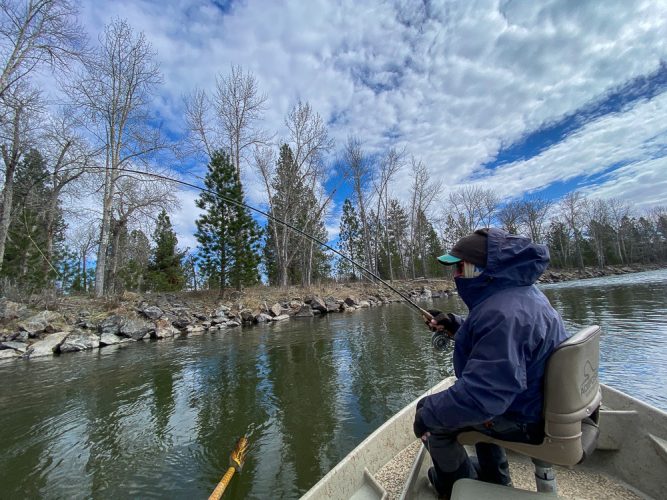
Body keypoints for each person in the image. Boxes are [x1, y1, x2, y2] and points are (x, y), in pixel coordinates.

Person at [413, 227, 569, 498]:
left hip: (522, 416)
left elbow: (484, 397)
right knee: (462, 410)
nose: (455, 276)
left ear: (478, 268)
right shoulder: (521, 294)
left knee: (432, 420)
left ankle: (456, 488)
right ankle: (494, 479)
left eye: (460, 268)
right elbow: (498, 340)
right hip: (533, 402)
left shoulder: (502, 314)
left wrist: (426, 415)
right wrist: (454, 324)